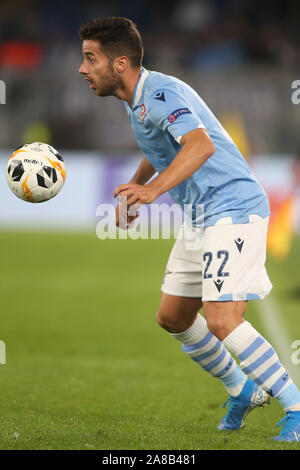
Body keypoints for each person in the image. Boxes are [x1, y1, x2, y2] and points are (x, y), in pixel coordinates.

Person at [79, 17, 300, 441]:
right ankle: (243, 388)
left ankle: (295, 405)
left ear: (120, 62)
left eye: (91, 58)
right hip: (201, 214)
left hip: (232, 207)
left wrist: (152, 192)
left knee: (221, 318)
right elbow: (159, 147)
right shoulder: (136, 100)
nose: (82, 68)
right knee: (173, 316)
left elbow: (200, 145)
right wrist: (137, 189)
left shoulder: (162, 95)